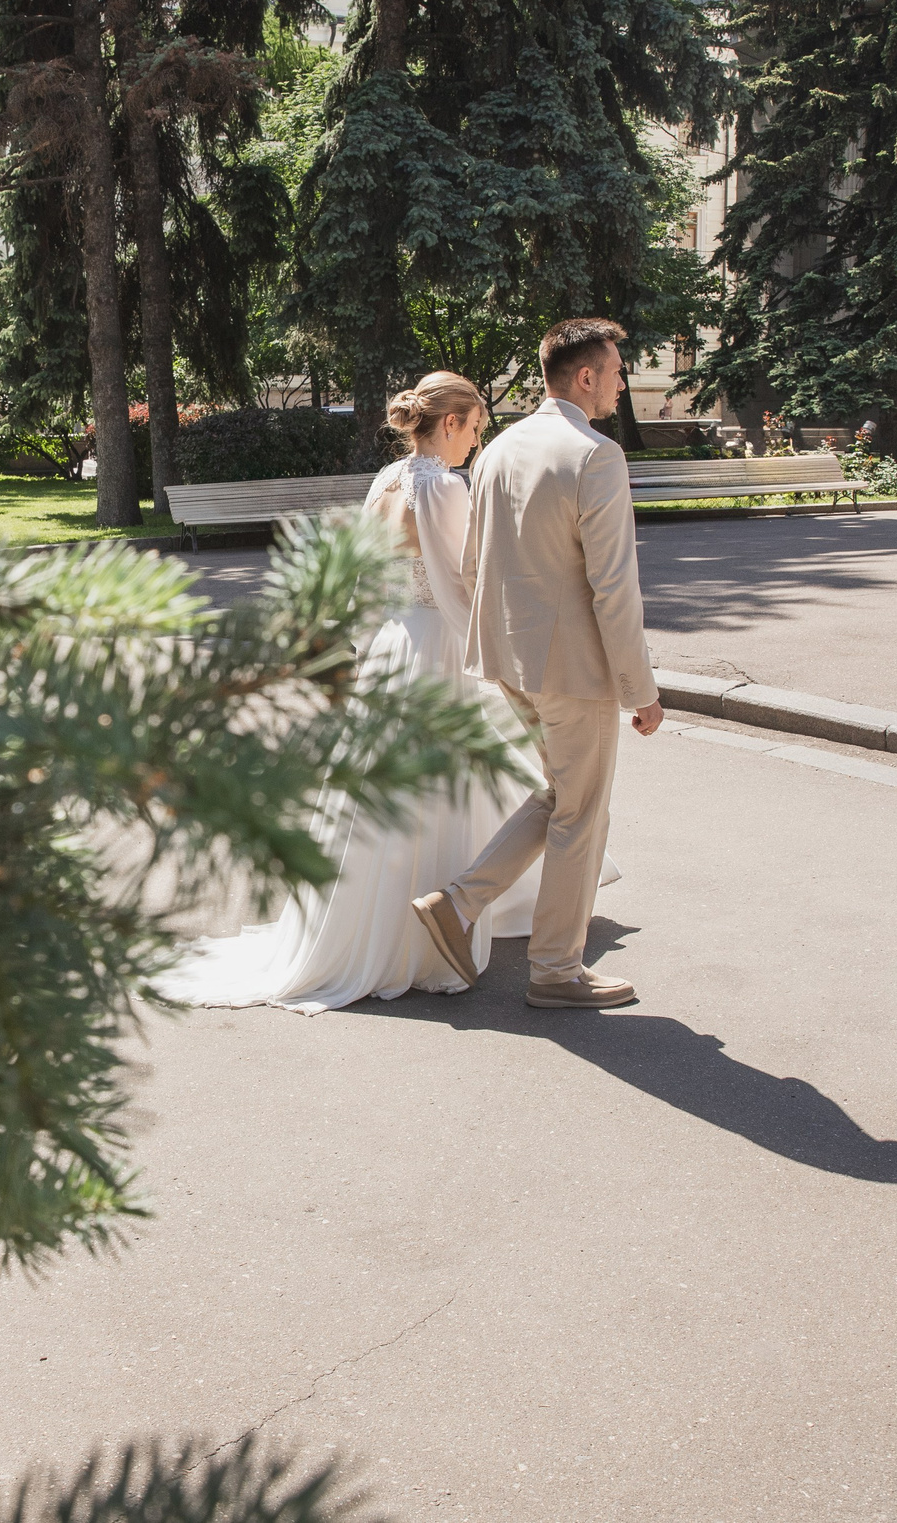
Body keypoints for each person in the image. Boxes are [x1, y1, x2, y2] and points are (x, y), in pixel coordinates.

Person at [159, 372, 619, 1014]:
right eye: (475, 429)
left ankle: (390, 922)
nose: (475, 445)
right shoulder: (445, 486)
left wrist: (370, 641)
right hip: (435, 644)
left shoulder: (388, 480)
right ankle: (435, 926)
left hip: (393, 641)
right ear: (452, 422)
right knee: (447, 783)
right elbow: (465, 583)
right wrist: (491, 655)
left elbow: (365, 577)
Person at [410, 318, 662, 1010]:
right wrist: (642, 688)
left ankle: (457, 904)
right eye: (615, 369)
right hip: (573, 668)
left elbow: (469, 564)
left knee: (561, 796)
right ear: (584, 376)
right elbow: (613, 585)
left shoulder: (499, 450)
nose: (620, 381)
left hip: (508, 659)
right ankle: (554, 968)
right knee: (583, 812)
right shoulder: (596, 454)